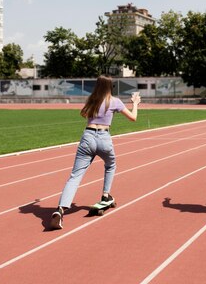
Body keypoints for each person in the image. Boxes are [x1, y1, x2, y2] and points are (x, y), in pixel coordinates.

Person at [50, 76, 140, 230]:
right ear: (110, 87)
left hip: (88, 137)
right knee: (110, 165)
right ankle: (105, 195)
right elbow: (133, 118)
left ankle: (60, 210)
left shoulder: (92, 99)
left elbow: (83, 114)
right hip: (104, 138)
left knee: (75, 176)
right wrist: (135, 104)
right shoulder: (115, 101)